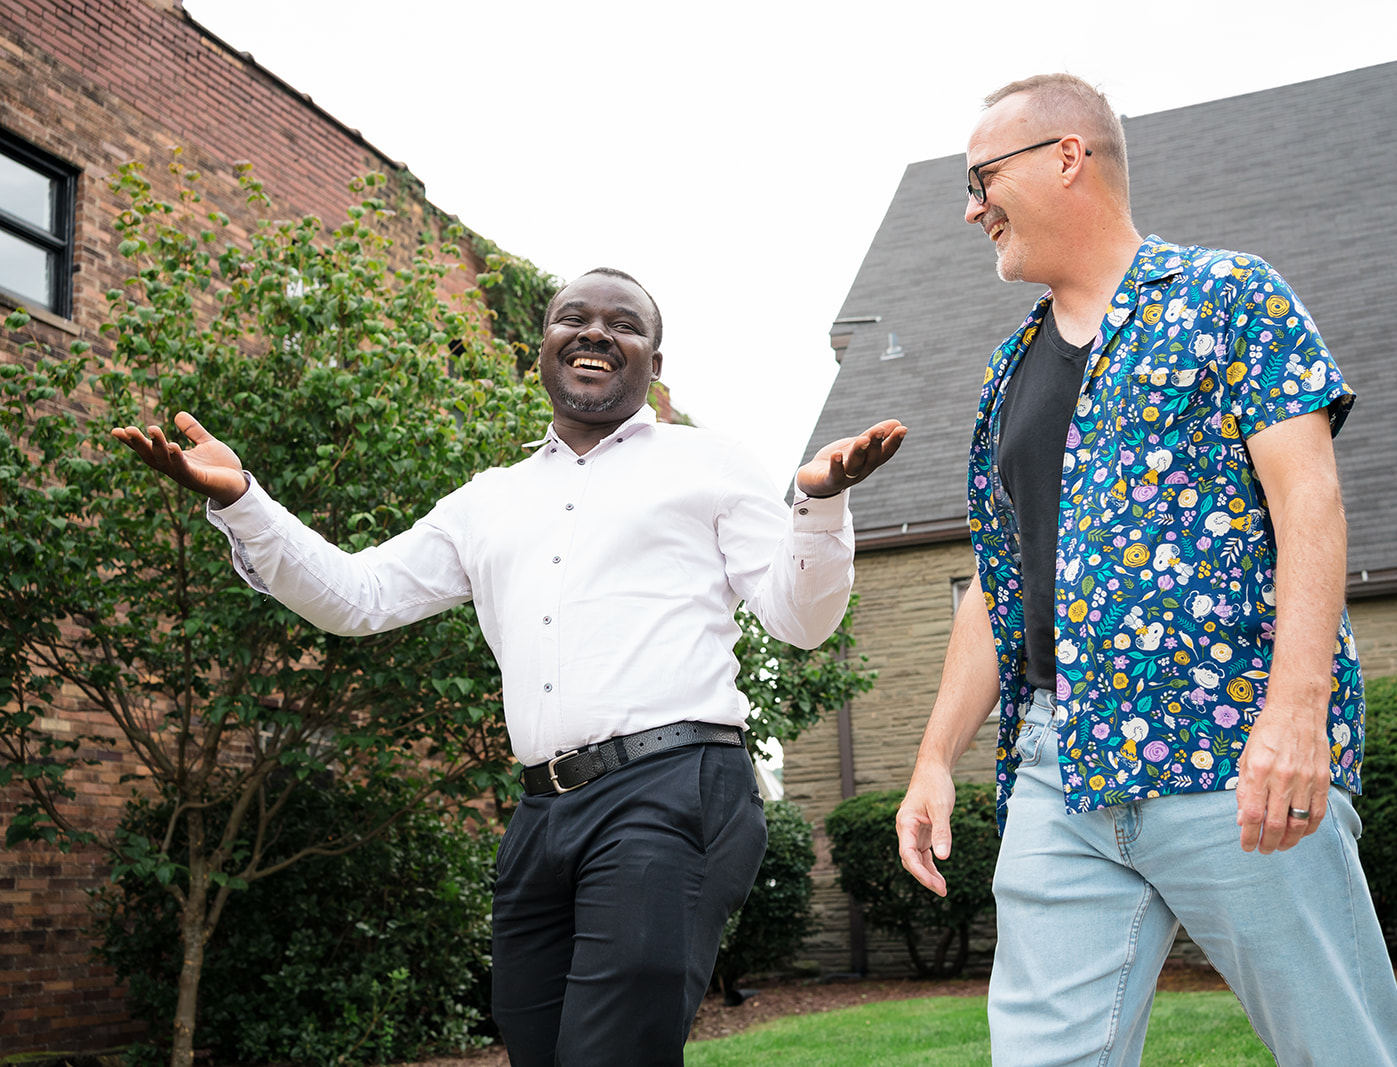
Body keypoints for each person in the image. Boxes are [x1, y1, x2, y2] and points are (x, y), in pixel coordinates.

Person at [113, 267, 906, 1067]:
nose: (596, 332)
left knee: (609, 1053)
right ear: (544, 347)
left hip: (672, 789)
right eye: (575, 317)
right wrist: (245, 500)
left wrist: (820, 502)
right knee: (538, 1045)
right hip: (541, 813)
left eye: (624, 323)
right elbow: (359, 596)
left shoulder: (710, 466)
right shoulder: (486, 501)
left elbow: (800, 622)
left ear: (655, 364)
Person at [893, 75, 1397, 1065]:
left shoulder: (1230, 297)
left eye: (980, 177)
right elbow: (1000, 582)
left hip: (1230, 753)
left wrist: (1297, 710)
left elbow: (1310, 499)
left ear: (1065, 157)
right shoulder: (1008, 373)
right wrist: (931, 757)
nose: (971, 207)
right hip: (1059, 770)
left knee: (1339, 1047)